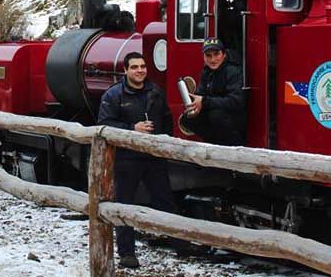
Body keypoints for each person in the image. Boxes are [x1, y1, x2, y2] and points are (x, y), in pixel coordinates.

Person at [97, 51, 176, 269]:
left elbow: (167, 120)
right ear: (125, 70)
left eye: (142, 66)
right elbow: (104, 124)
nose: (140, 70)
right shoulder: (114, 95)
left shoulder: (156, 92)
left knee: (165, 200)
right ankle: (127, 253)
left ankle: (177, 241)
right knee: (124, 205)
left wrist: (163, 143)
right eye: (134, 67)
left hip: (153, 158)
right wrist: (133, 129)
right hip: (126, 159)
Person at [180, 37, 247, 146]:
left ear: (224, 55)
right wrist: (195, 106)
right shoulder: (206, 72)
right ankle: (213, 145)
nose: (213, 59)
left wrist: (205, 102)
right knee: (187, 119)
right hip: (215, 115)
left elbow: (236, 101)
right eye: (208, 55)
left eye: (216, 54)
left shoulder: (233, 71)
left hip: (234, 118)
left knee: (216, 116)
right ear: (204, 57)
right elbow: (200, 95)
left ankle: (231, 147)